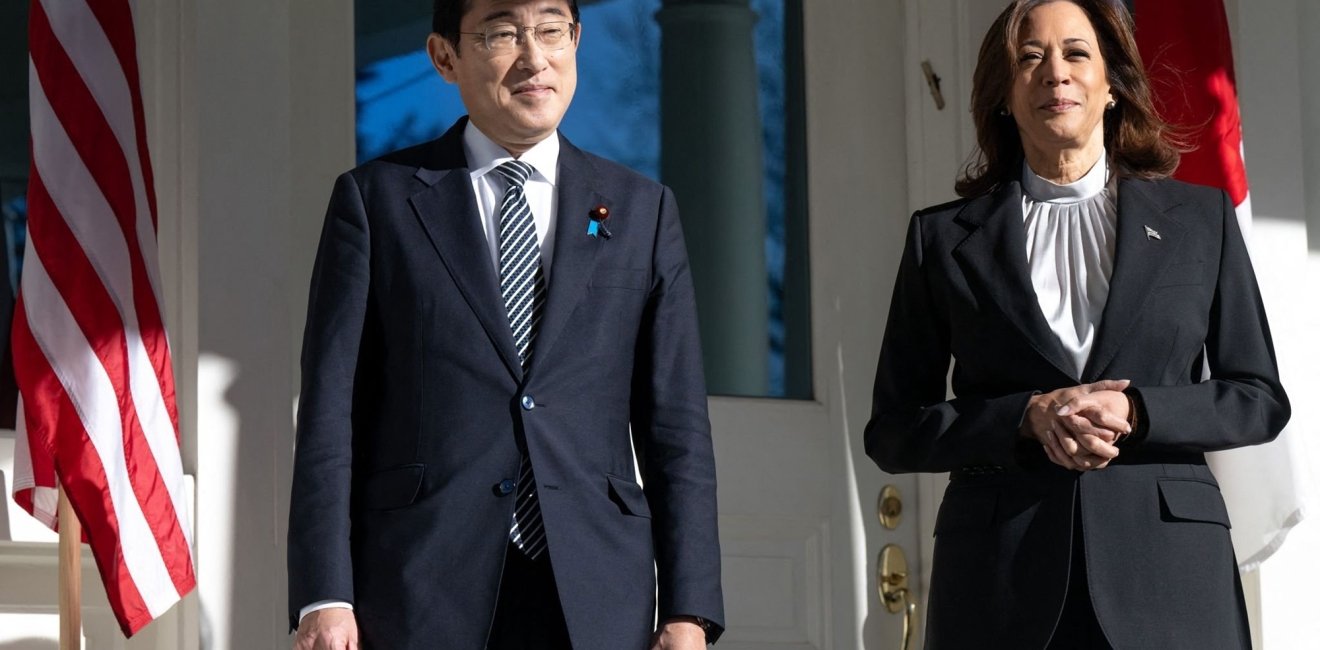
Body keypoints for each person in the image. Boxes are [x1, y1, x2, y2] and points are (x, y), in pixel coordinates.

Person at [286, 1, 724, 648]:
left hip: (594, 591)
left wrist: (689, 609)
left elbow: (676, 426)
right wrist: (325, 593)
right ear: (444, 57)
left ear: (575, 40)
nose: (534, 57)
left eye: (552, 31)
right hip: (420, 585)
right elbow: (332, 410)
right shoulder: (378, 201)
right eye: (501, 33)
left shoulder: (641, 211)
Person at [864, 0, 1289, 647]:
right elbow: (894, 431)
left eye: (1076, 53)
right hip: (1000, 584)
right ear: (1004, 94)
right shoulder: (941, 238)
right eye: (1029, 58)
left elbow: (1257, 400)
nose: (1054, 73)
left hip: (1169, 581)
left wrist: (1141, 412)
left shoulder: (1199, 222)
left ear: (1113, 82)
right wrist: (1023, 417)